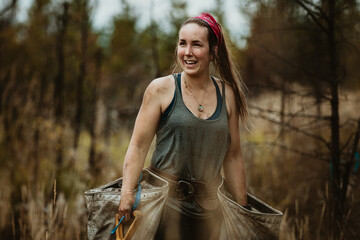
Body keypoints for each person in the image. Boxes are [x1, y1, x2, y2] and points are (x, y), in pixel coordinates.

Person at [117, 12, 249, 240]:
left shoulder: (227, 95)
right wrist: (127, 194)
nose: (187, 52)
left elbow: (234, 156)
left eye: (196, 45)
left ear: (213, 51)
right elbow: (138, 147)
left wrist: (242, 209)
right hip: (164, 209)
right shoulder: (160, 89)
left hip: (209, 215)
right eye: (182, 44)